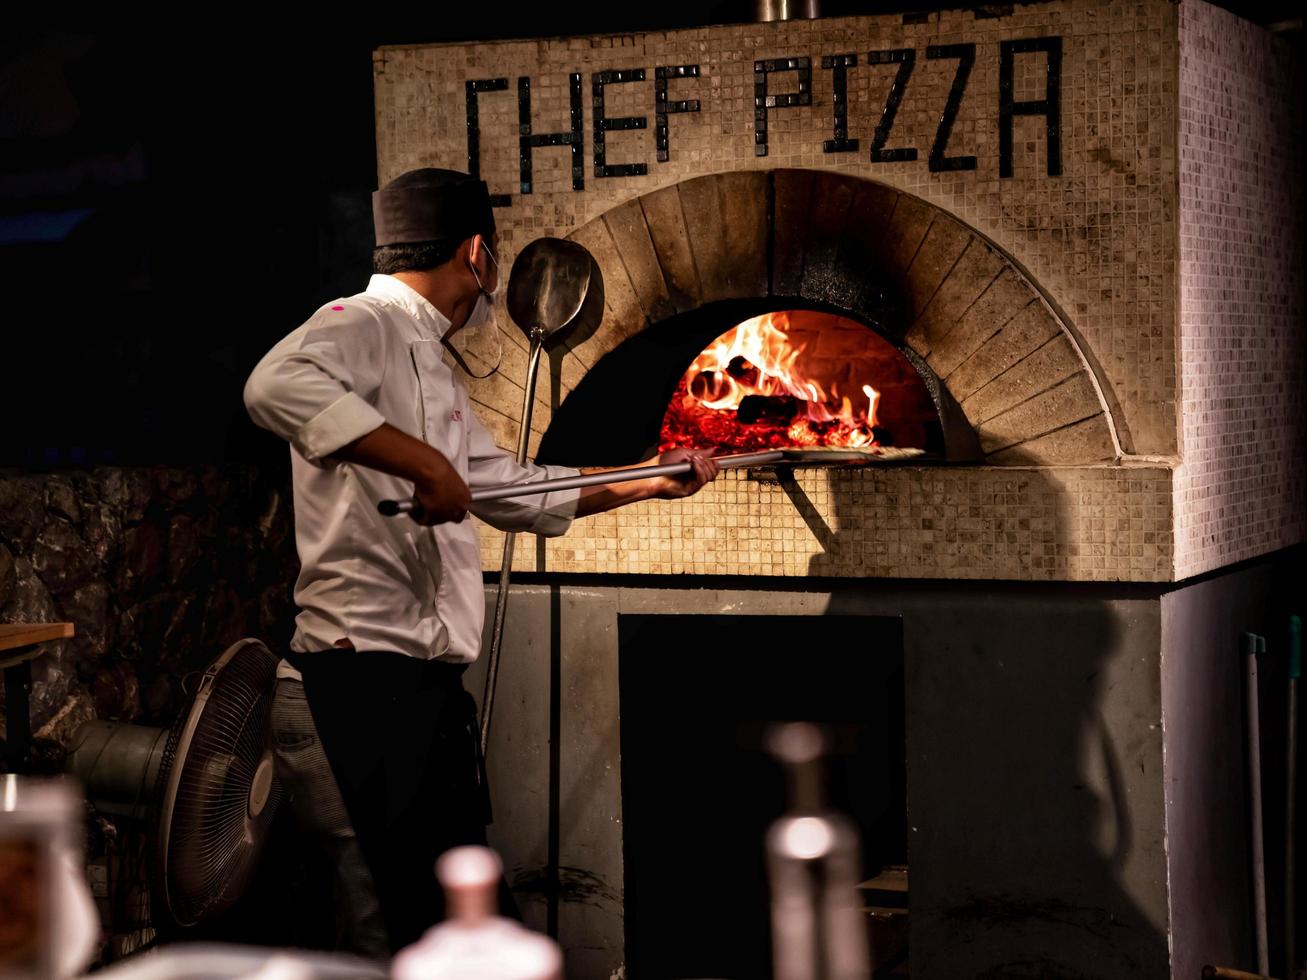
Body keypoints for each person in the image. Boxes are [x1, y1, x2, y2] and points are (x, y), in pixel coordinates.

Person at [242, 167, 718, 959]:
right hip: (353, 684)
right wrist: (423, 466)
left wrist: (646, 480)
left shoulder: (430, 361)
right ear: (479, 256)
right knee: (391, 935)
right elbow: (272, 383)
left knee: (460, 932)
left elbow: (505, 488)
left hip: (417, 691)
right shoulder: (357, 321)